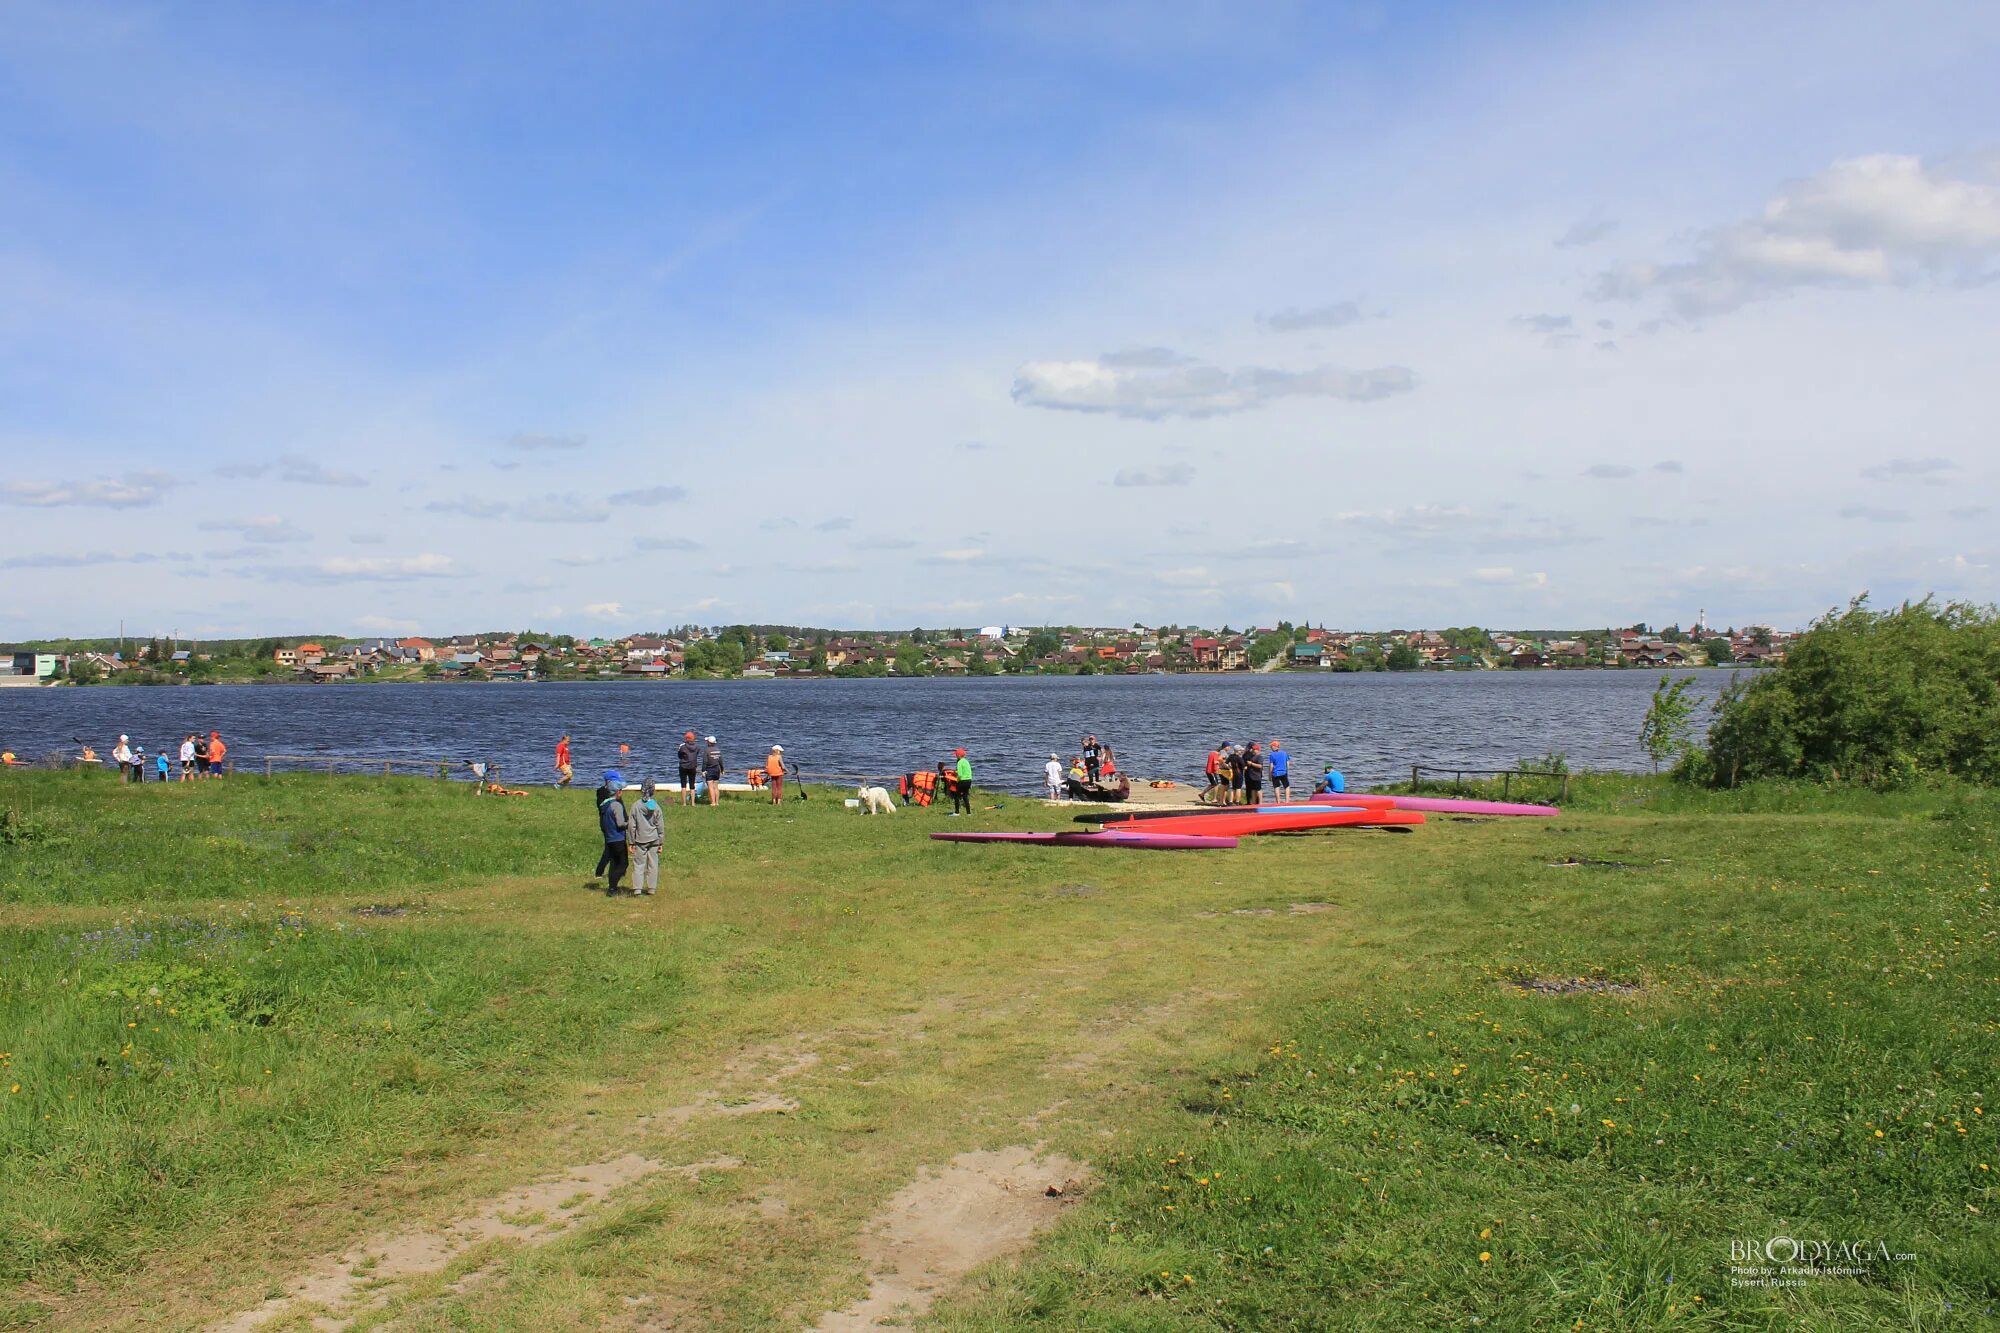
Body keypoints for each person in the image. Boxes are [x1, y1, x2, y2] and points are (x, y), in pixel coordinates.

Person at [628, 779, 664, 896]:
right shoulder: (656, 806)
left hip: (640, 840)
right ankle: (651, 888)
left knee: (639, 864)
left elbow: (632, 825)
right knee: (653, 864)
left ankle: (637, 889)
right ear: (653, 791)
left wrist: (631, 842)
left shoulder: (636, 806)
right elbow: (660, 825)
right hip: (654, 839)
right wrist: (661, 842)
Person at [597, 771, 629, 894]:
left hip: (610, 838)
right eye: (621, 790)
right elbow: (620, 823)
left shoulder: (605, 805)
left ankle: (612, 887)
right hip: (618, 838)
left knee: (614, 863)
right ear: (617, 792)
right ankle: (612, 887)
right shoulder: (616, 805)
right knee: (623, 864)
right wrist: (629, 823)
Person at [676, 731, 700, 806]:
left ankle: (684, 803)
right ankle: (693, 803)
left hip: (683, 766)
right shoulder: (697, 747)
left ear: (686, 739)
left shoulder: (682, 747)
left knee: (683, 785)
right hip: (693, 766)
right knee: (692, 785)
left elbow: (679, 756)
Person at [1239, 741, 1265, 806]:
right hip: (1250, 774)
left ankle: (1259, 802)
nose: (1252, 750)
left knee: (1257, 789)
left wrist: (1251, 763)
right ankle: (1253, 802)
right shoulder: (1250, 755)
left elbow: (1260, 766)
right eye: (1252, 749)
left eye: (1254, 749)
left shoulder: (1258, 756)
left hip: (1255, 775)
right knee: (1253, 789)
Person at [701, 735, 724, 806]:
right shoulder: (718, 750)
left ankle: (713, 802)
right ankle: (717, 802)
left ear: (709, 743)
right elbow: (721, 761)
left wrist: (703, 771)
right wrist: (722, 769)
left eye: (707, 741)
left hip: (710, 769)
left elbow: (705, 762)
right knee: (716, 787)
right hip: (717, 769)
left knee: (710, 786)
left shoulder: (707, 750)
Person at [950, 747, 973, 815]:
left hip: (962, 781)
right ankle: (969, 813)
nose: (955, 756)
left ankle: (957, 812)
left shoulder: (959, 762)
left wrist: (956, 777)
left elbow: (960, 774)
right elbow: (967, 771)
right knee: (965, 796)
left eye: (956, 755)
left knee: (956, 796)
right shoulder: (966, 761)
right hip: (969, 780)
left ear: (959, 755)